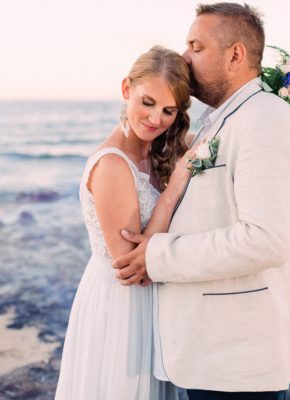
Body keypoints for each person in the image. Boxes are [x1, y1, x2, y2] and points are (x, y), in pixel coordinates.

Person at [114, 3, 290, 400]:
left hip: (237, 357)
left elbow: (267, 239)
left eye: (196, 46)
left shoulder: (265, 120)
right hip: (212, 351)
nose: (184, 58)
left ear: (235, 55)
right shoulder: (222, 119)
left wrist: (157, 256)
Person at [55, 45, 193, 400]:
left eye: (168, 110)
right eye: (147, 102)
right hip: (119, 307)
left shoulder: (154, 149)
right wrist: (175, 185)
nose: (155, 119)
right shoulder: (114, 164)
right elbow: (131, 266)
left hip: (153, 304)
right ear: (126, 89)